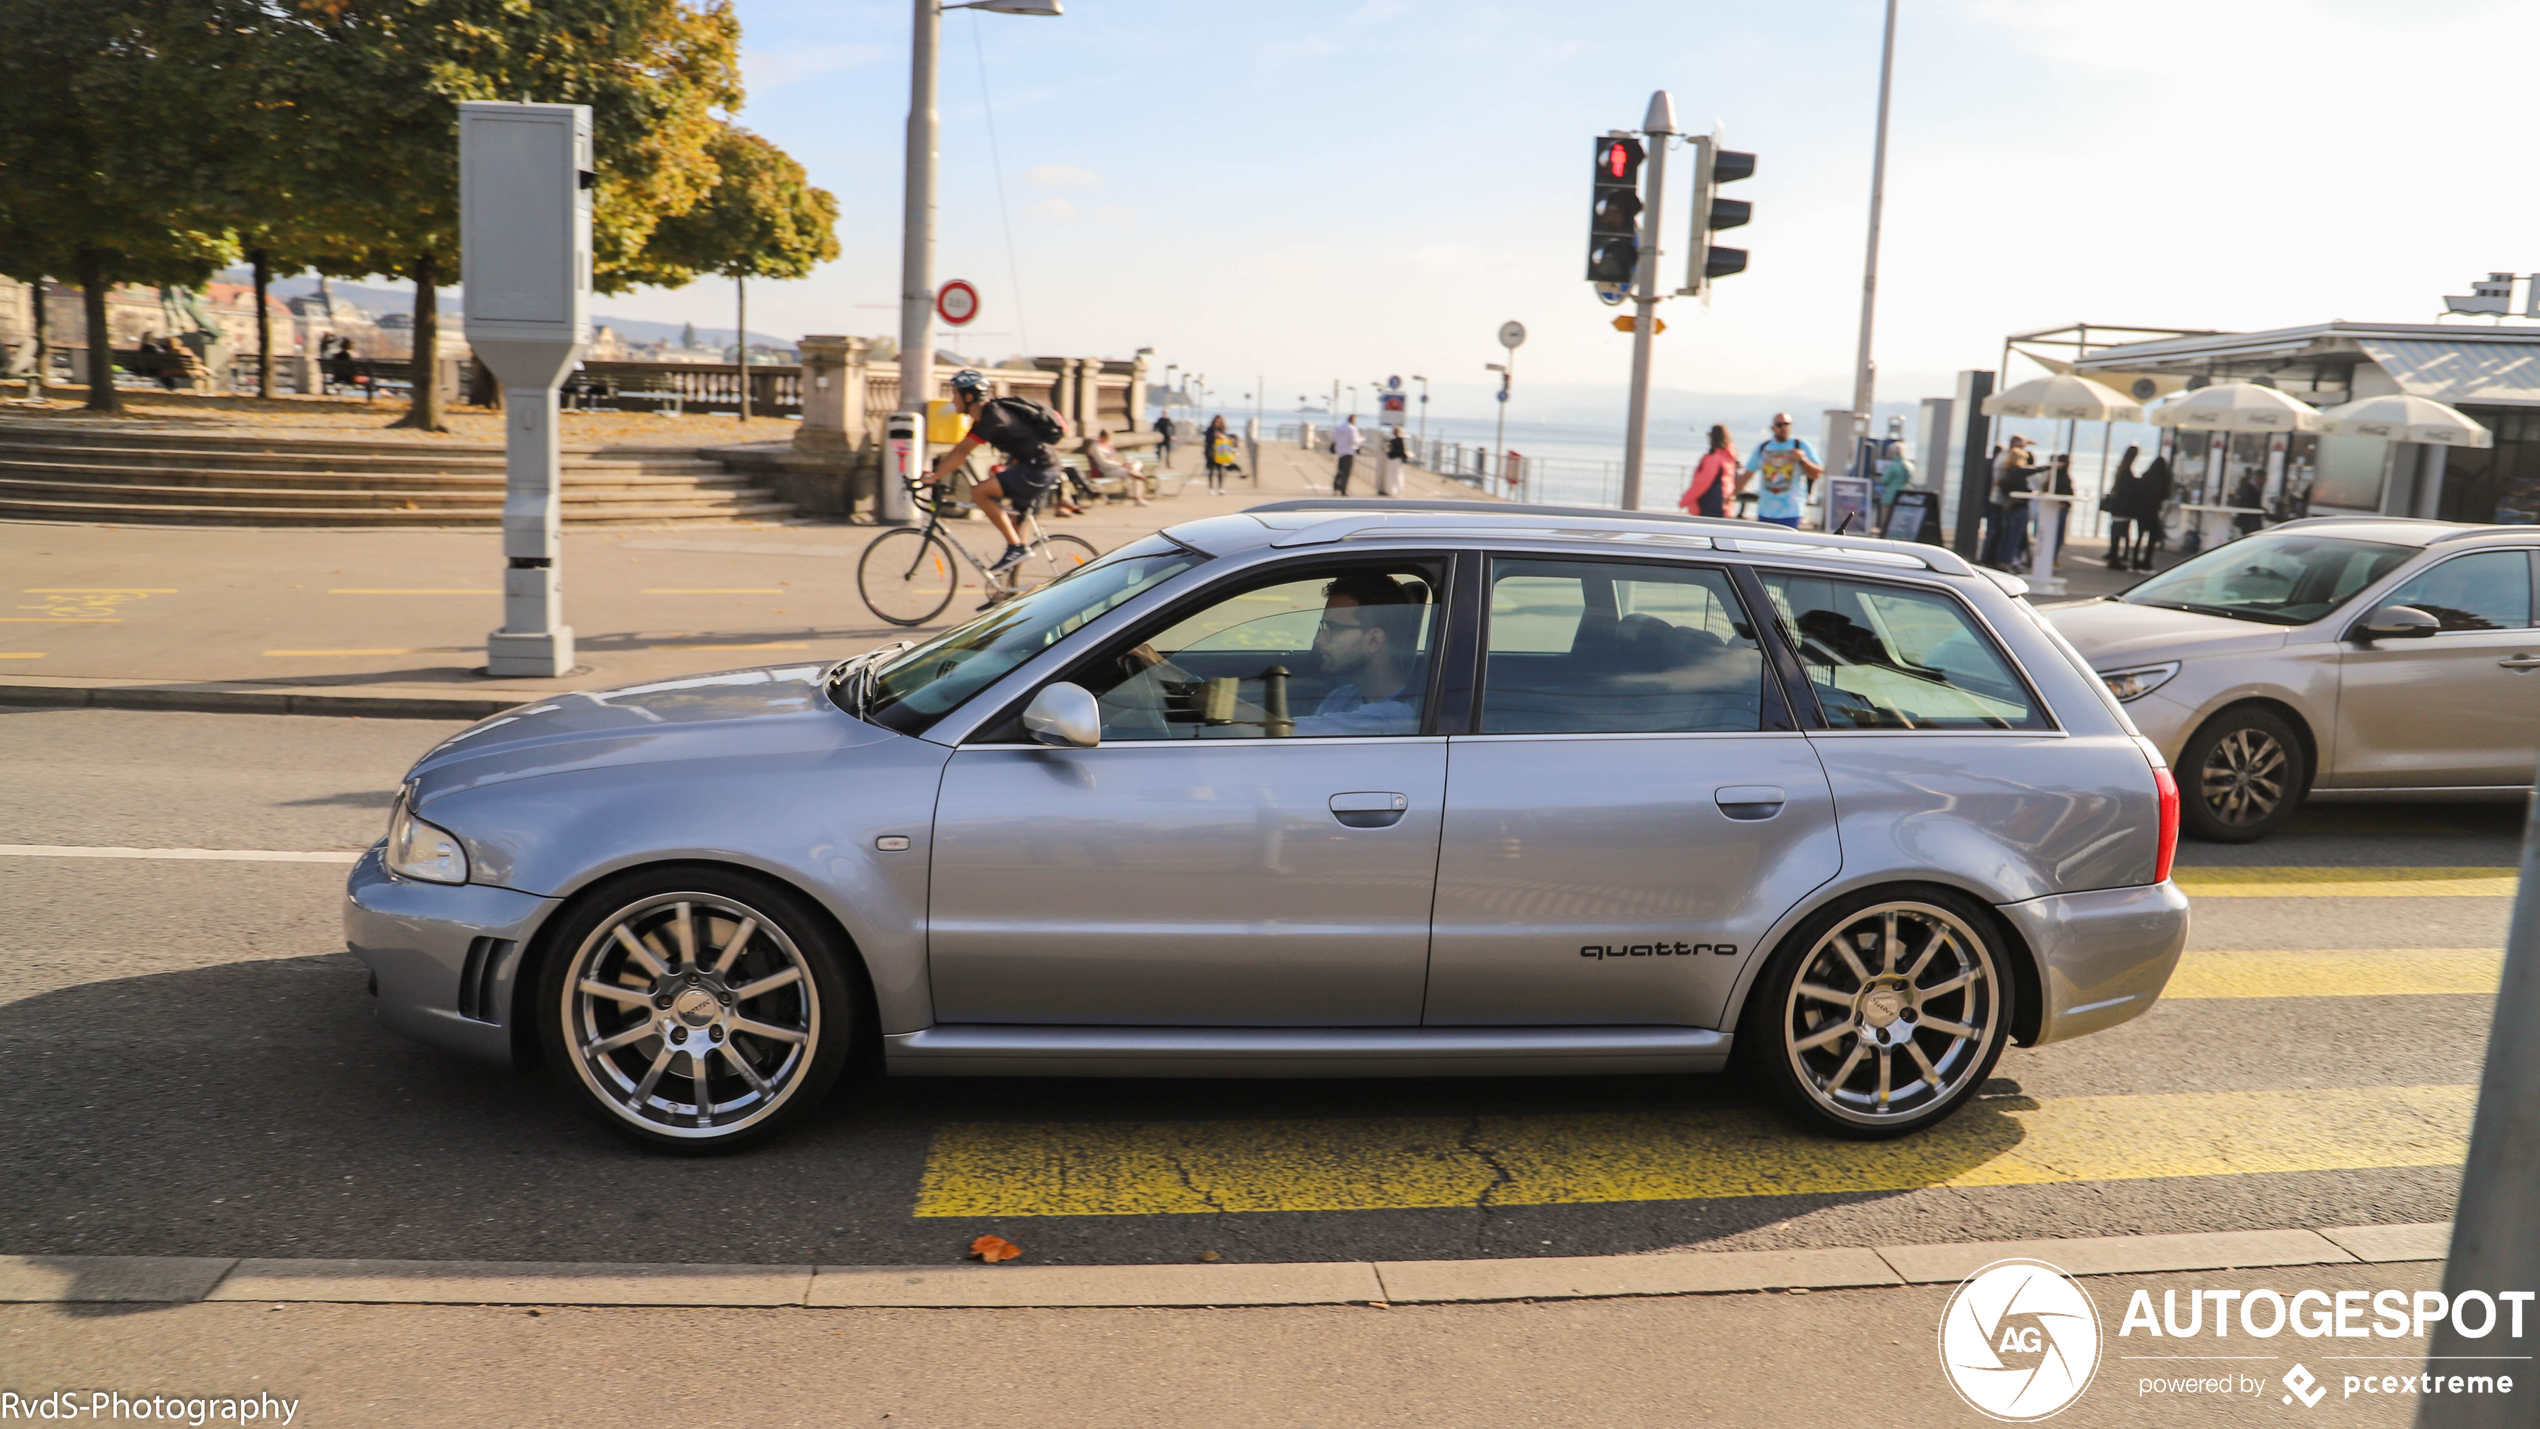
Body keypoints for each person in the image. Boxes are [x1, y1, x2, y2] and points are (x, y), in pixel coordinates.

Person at [927, 368, 1067, 573]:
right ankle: (1006, 593)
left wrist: (934, 476)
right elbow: (959, 450)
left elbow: (962, 451)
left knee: (979, 492)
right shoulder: (986, 417)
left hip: (1038, 468)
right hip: (1036, 467)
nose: (952, 401)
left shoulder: (993, 417)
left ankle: (1015, 547)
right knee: (1017, 531)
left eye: (955, 394)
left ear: (968, 396)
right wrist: (936, 474)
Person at [1290, 572, 1426, 736]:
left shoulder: (1398, 717)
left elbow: (1281, 733)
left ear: (1374, 640)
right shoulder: (1340, 697)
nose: (1318, 640)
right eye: (1323, 628)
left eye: (1333, 629)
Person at [1742, 412, 1822, 529]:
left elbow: (1817, 473)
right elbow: (1748, 473)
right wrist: (1730, 496)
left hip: (1792, 511)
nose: (1783, 428)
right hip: (1765, 511)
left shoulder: (1801, 446)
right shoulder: (1763, 447)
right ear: (1773, 427)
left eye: (1787, 424)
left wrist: (1802, 460)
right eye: (1779, 425)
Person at [1681, 424, 1738, 518]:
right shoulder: (1729, 457)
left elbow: (1702, 482)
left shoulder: (1714, 458)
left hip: (1710, 503)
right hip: (1725, 504)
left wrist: (1685, 500)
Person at [2099, 446, 2143, 570]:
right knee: (2121, 531)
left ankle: (2115, 555)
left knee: (2116, 531)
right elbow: (2128, 489)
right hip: (2123, 507)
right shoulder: (2126, 472)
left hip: (2117, 506)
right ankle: (2116, 557)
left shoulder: (2121, 469)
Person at [1084, 427, 1150, 507]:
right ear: (1102, 437)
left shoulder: (1107, 446)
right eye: (1107, 438)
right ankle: (1138, 498)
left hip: (1118, 468)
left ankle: (1134, 471)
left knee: (1137, 463)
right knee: (1135, 475)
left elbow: (1116, 459)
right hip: (1108, 471)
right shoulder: (1096, 447)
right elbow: (1103, 463)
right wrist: (1120, 465)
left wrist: (1124, 464)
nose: (1108, 440)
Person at [2130, 453, 2174, 571]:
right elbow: (2164, 496)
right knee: (2152, 538)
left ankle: (2134, 561)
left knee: (2139, 537)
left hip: (2141, 511)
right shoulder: (2162, 480)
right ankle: (2146, 561)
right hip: (2153, 511)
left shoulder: (2145, 476)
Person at [1202, 414, 1232, 493]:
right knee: (1211, 470)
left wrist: (1223, 436)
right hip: (1211, 452)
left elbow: (1227, 440)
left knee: (1220, 470)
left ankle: (1220, 487)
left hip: (1220, 453)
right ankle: (1211, 488)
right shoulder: (1210, 430)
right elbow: (1207, 439)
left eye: (1219, 422)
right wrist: (1214, 436)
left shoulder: (1222, 430)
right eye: (1217, 422)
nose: (1218, 423)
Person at [1332, 414, 1361, 495]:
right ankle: (1343, 489)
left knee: (1340, 471)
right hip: (1349, 452)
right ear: (1353, 420)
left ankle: (1336, 487)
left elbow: (1334, 438)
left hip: (1340, 451)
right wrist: (1361, 440)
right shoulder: (1352, 429)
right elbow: (1354, 441)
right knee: (1346, 472)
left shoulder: (1339, 427)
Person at [1379, 428, 1408, 496]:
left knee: (1391, 475)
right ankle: (1399, 490)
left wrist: (1388, 452)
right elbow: (1402, 451)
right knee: (1398, 475)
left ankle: (1391, 490)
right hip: (1397, 459)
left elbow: (1391, 450)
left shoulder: (1393, 441)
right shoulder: (1400, 440)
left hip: (1392, 459)